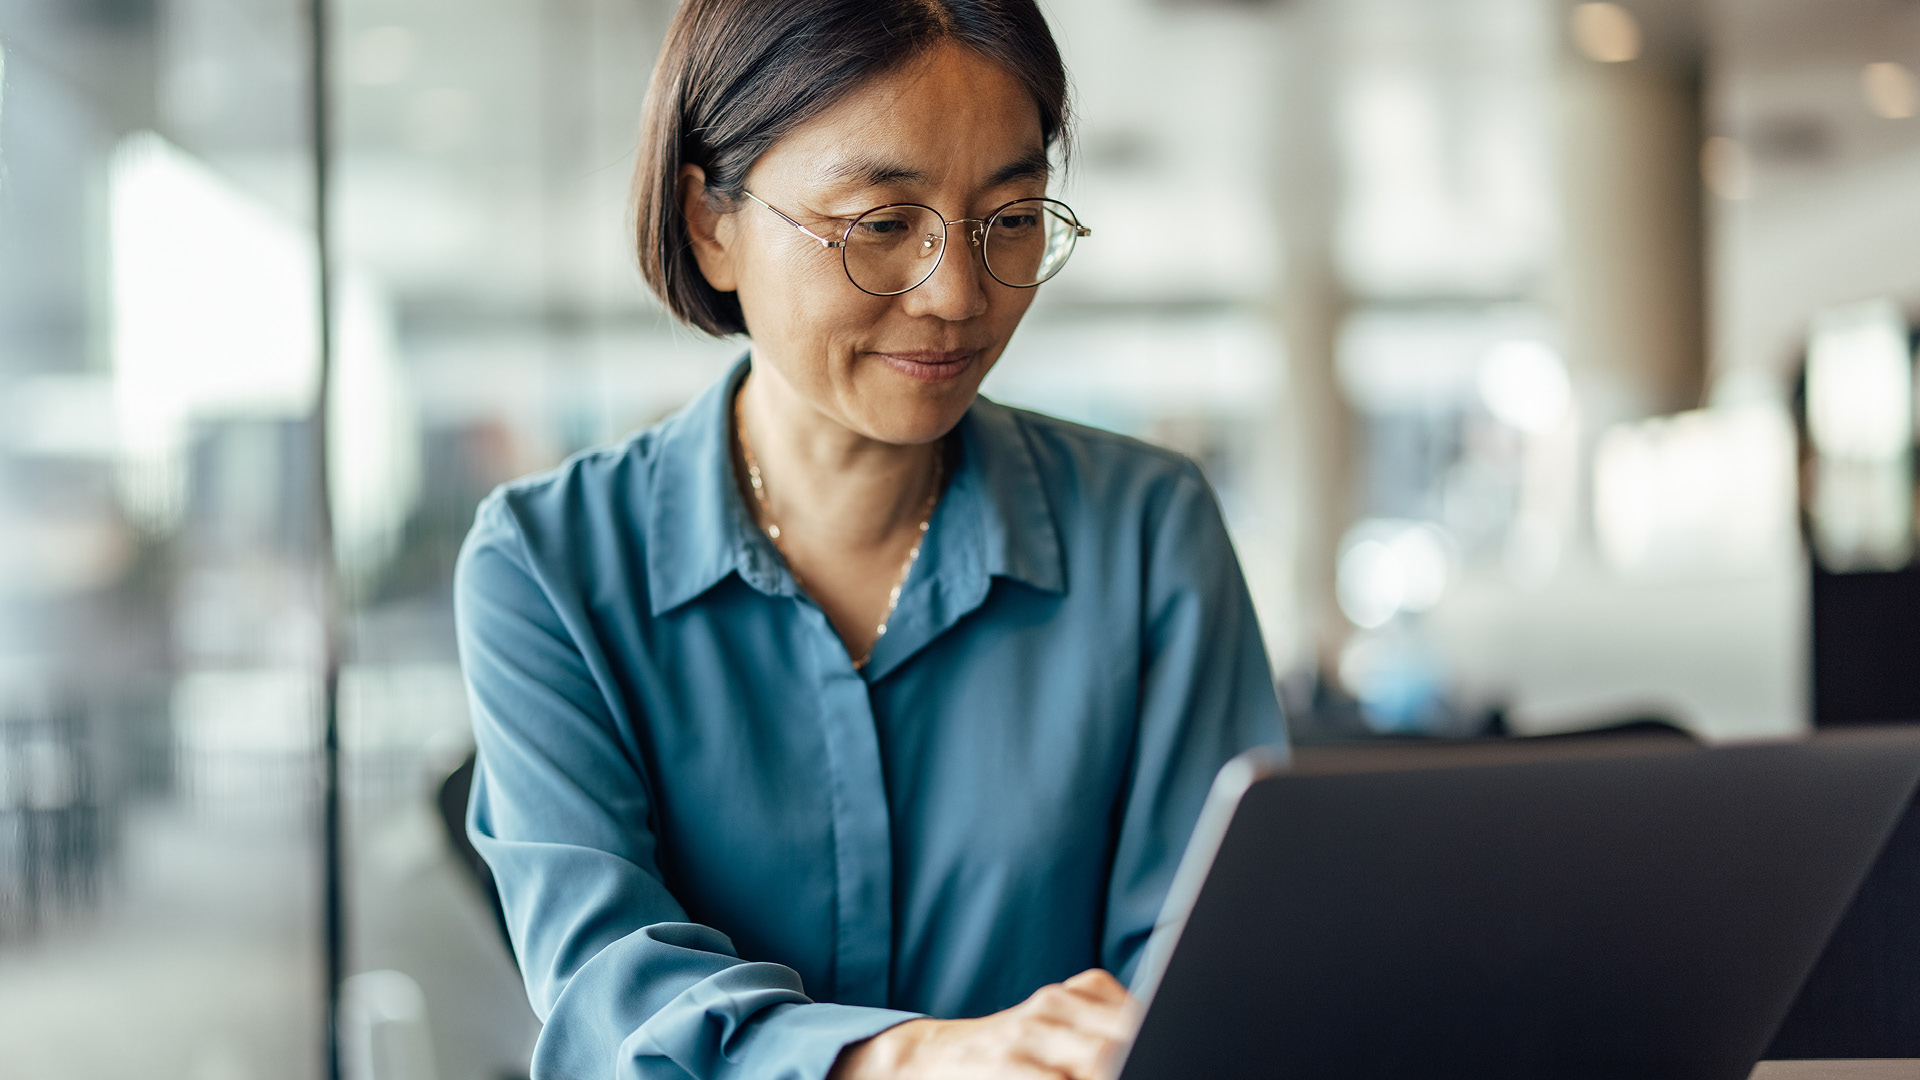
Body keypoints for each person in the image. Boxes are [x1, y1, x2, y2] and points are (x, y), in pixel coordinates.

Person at [454, 1, 1287, 1077]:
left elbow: (1203, 972)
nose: (956, 295)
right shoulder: (549, 568)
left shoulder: (1147, 534)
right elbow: (609, 993)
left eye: (1012, 217)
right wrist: (908, 1061)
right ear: (712, 221)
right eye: (884, 224)